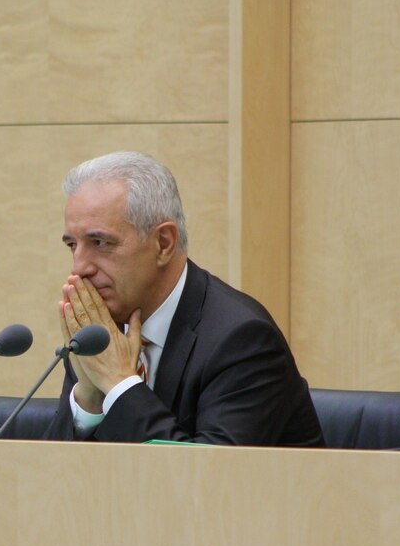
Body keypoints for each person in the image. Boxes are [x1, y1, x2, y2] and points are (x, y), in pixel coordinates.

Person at [43, 151, 324, 446]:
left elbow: (207, 482)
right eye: (72, 245)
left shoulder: (242, 341)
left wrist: (119, 384)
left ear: (163, 244)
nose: (79, 268)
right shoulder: (99, 333)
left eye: (100, 243)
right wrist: (89, 400)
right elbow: (58, 480)